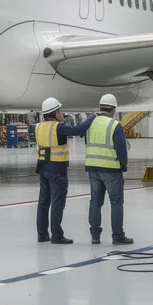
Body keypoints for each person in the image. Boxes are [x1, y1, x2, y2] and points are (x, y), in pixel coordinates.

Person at [36, 97, 95, 244]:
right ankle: (57, 235)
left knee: (44, 202)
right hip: (57, 170)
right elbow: (79, 129)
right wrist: (93, 117)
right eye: (60, 111)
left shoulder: (38, 126)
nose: (62, 114)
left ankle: (42, 235)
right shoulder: (58, 127)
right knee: (57, 202)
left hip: (43, 168)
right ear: (54, 113)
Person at [86, 94, 132, 245]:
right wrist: (123, 166)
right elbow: (121, 150)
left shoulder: (90, 123)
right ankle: (118, 236)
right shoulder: (114, 125)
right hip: (111, 169)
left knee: (95, 202)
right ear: (113, 109)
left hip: (93, 168)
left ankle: (95, 236)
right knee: (116, 202)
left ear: (100, 107)